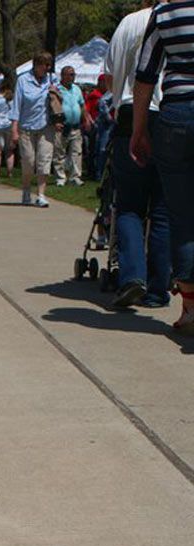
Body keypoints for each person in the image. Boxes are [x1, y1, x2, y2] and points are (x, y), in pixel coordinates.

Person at [131, 0, 194, 332]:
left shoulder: (165, 14)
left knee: (181, 215)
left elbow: (145, 76)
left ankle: (190, 309)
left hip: (176, 118)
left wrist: (138, 129)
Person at [105, 0, 171, 309]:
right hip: (166, 113)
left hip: (129, 112)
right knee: (162, 207)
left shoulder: (127, 23)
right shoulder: (175, 21)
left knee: (129, 204)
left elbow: (108, 75)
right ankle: (159, 287)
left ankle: (132, 275)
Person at [10, 51, 58, 207]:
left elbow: (57, 102)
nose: (47, 68)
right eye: (45, 65)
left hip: (46, 127)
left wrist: (55, 93)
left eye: (49, 65)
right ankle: (26, 189)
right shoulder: (23, 80)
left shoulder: (52, 79)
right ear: (36, 65)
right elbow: (16, 105)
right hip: (26, 127)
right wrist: (14, 130)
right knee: (29, 162)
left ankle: (41, 194)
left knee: (44, 160)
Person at [52, 66, 91, 186]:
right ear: (63, 76)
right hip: (62, 127)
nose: (72, 77)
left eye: (73, 75)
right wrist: (55, 122)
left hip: (76, 127)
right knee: (59, 153)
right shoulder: (56, 89)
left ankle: (75, 177)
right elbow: (52, 106)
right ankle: (60, 178)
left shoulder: (77, 89)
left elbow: (82, 105)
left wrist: (86, 119)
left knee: (76, 152)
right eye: (70, 74)